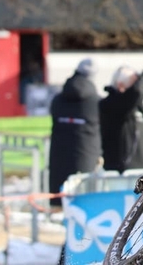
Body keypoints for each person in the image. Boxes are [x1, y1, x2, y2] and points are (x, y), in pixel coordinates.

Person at [48, 58, 102, 207]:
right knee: (85, 204)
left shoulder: (57, 99)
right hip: (87, 156)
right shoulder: (97, 102)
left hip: (59, 157)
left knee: (59, 204)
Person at [99, 66, 143, 173]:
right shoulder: (111, 104)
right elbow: (137, 92)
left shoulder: (138, 106)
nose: (139, 85)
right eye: (134, 83)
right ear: (121, 85)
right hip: (122, 173)